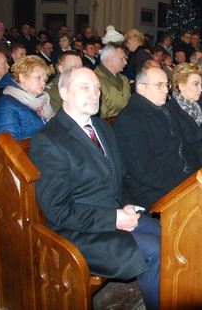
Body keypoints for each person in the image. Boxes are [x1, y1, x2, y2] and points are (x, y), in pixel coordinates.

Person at [29, 67, 160, 309]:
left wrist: (129, 203)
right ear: (64, 93)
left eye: (97, 88)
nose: (94, 94)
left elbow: (122, 177)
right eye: (85, 88)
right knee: (154, 250)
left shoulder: (102, 128)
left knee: (171, 232)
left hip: (116, 214)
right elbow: (58, 209)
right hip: (79, 232)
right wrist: (114, 218)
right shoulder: (49, 140)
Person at [114, 67, 201, 208]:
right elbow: (145, 170)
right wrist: (188, 181)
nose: (166, 91)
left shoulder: (164, 109)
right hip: (154, 191)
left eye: (166, 85)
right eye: (159, 85)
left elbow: (185, 146)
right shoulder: (129, 119)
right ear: (141, 88)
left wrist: (199, 173)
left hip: (182, 177)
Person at [165, 63, 202, 168]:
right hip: (191, 165)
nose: (201, 89)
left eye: (200, 85)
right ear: (181, 85)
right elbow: (181, 151)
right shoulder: (171, 112)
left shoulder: (195, 107)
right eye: (195, 84)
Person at [0, 56, 53, 140]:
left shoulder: (41, 102)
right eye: (38, 78)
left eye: (45, 80)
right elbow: (9, 144)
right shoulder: (6, 105)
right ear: (22, 77)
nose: (43, 83)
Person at [93, 42, 131, 118]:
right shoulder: (94, 80)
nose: (125, 62)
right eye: (122, 58)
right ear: (111, 59)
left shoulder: (124, 79)